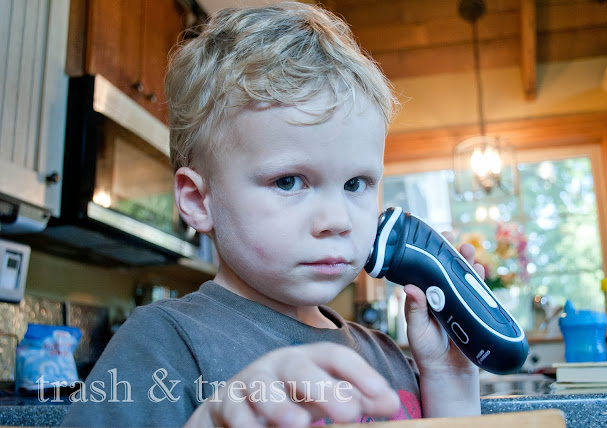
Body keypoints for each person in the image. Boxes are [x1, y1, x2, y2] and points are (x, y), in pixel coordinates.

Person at [62, 3, 482, 427]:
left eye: (356, 184)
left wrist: (450, 374)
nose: (337, 220)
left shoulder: (387, 356)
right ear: (198, 201)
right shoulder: (164, 344)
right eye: (289, 181)